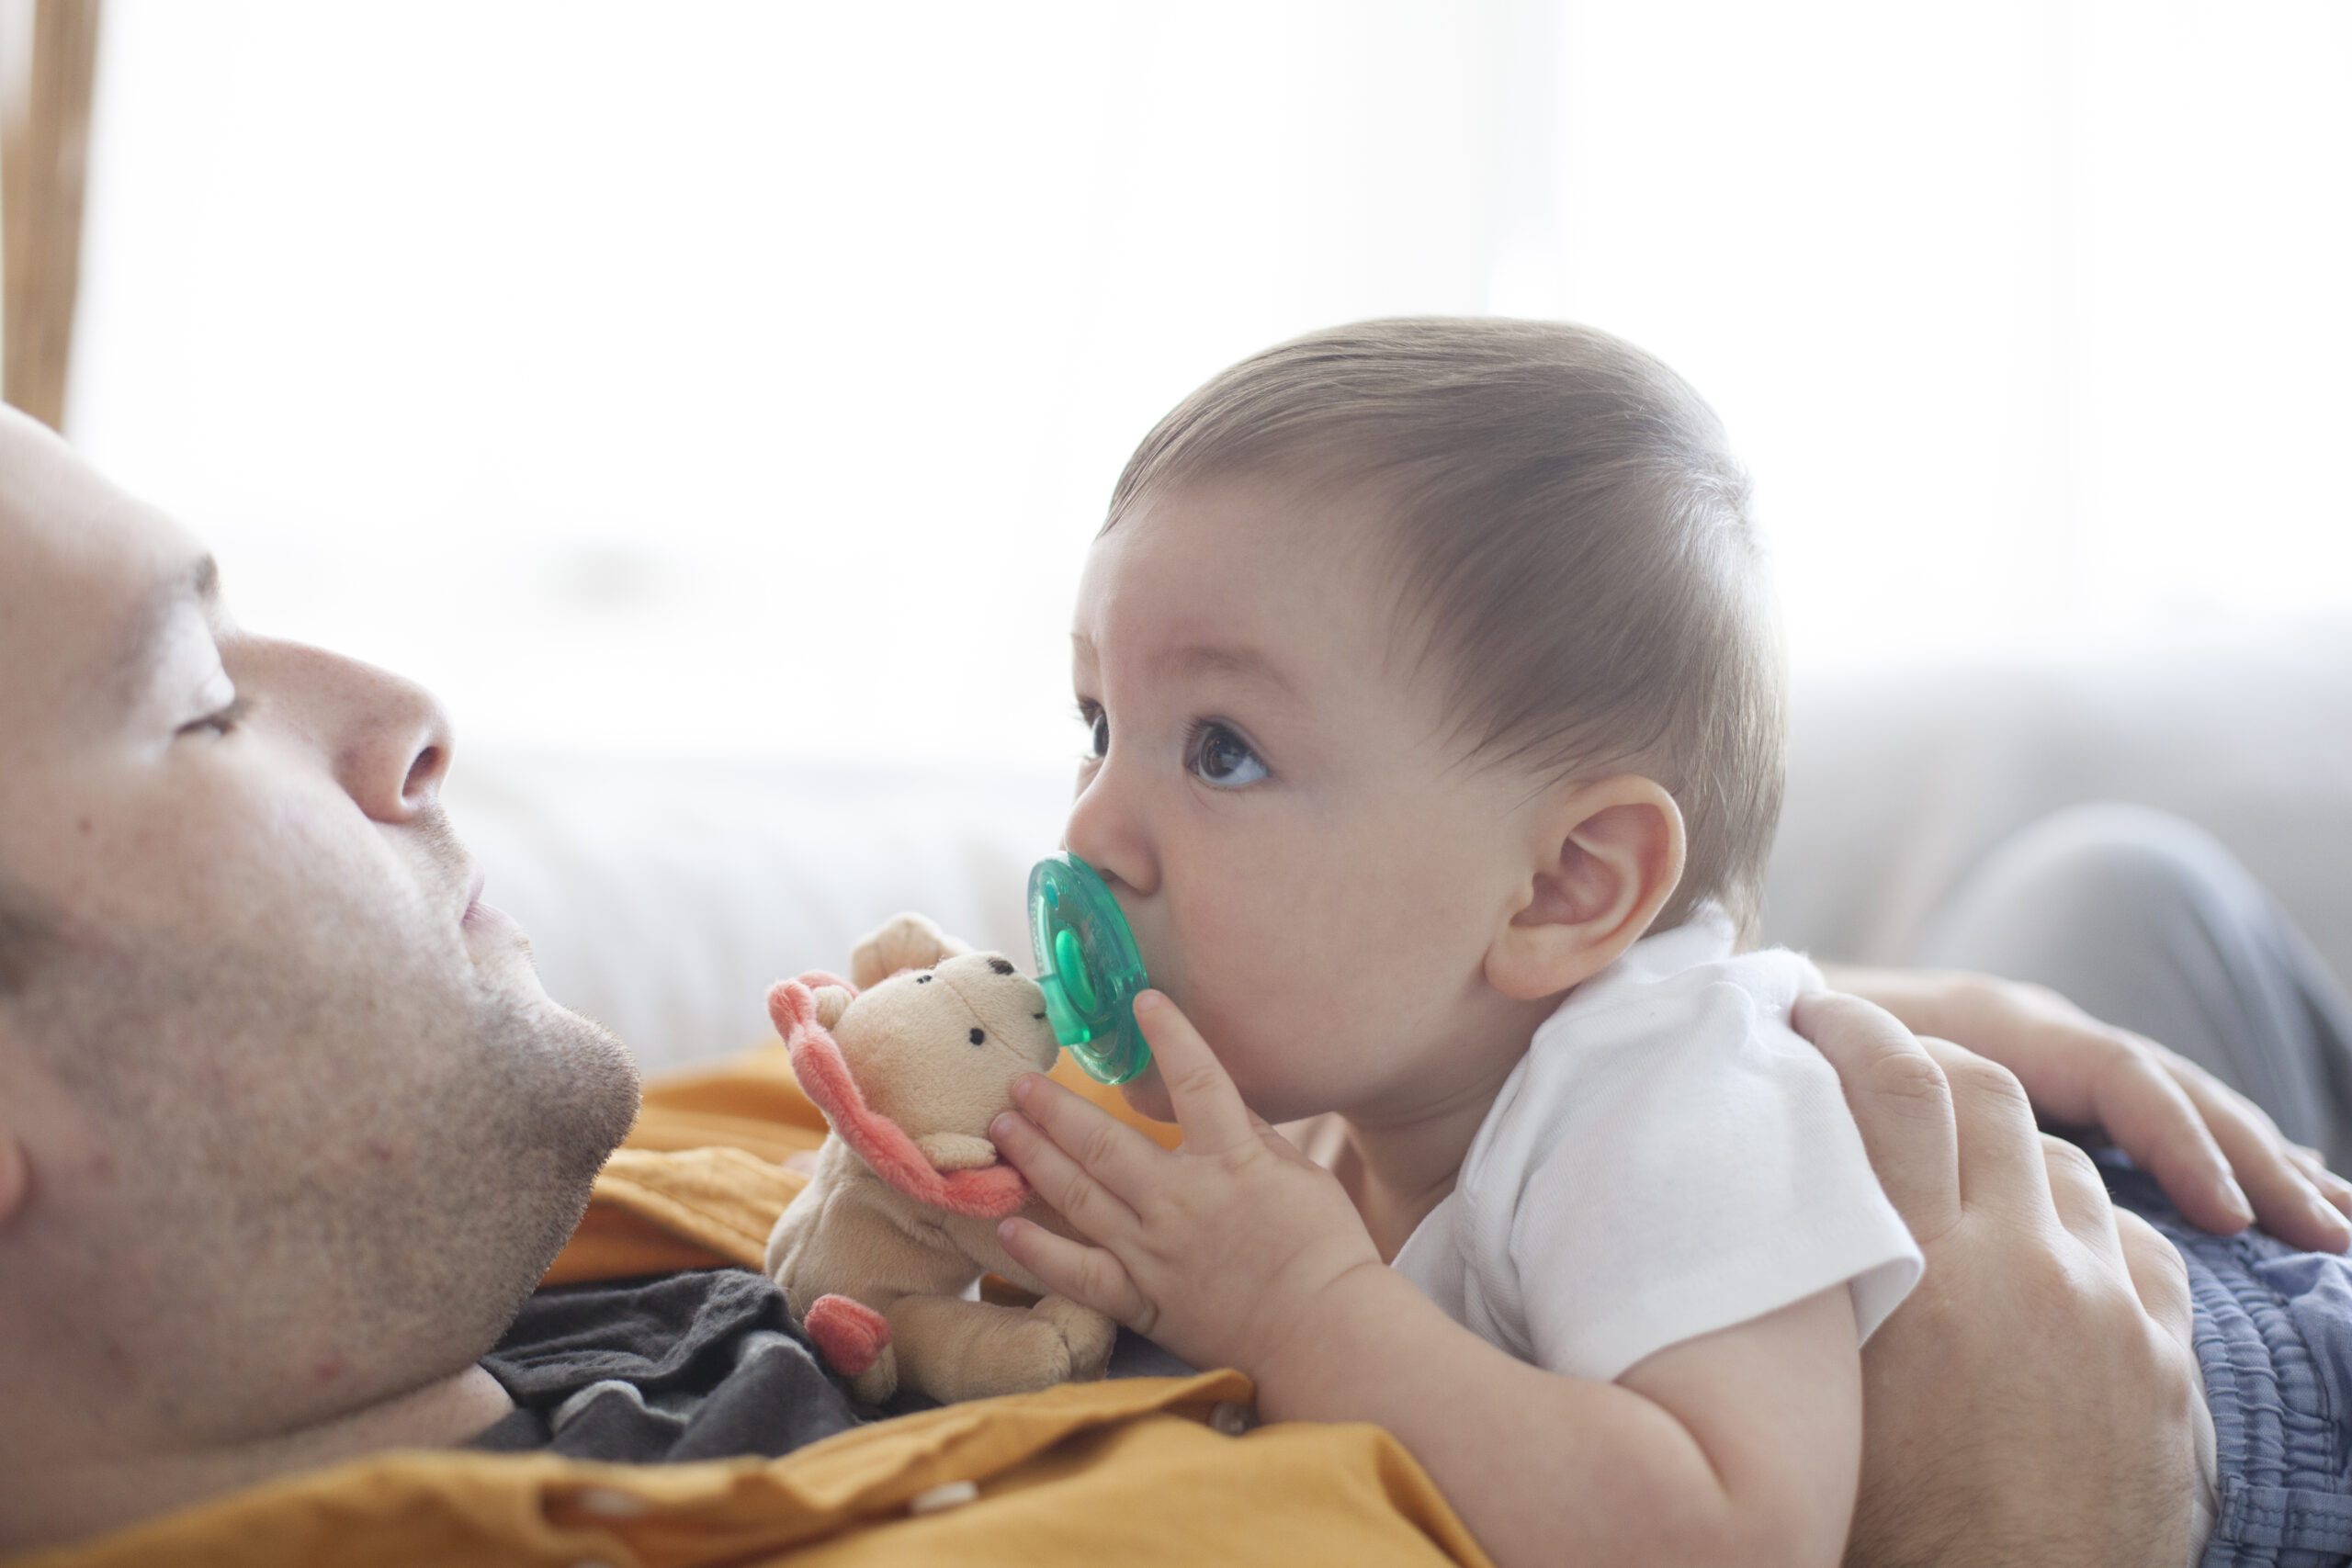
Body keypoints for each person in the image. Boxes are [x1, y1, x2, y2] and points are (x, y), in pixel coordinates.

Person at [0, 400, 2339, 1564]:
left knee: (2112, 900)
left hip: (2080, 1212)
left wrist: (1751, 1028)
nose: (408, 706)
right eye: (198, 701)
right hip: (2208, 1445)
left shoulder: (525, 1207)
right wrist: (2024, 1520)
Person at [981, 319, 2352, 1568]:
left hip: (2271, 1427)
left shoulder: (1649, 1115)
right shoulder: (1362, 1088)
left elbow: (1730, 1535)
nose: (1092, 829)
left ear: (1563, 890)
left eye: (1221, 750)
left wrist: (1301, 1312)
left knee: (2119, 887)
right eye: (1099, 724)